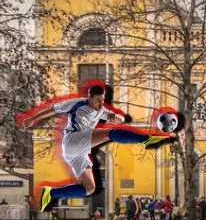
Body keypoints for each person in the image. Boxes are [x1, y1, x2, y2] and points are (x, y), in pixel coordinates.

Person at [17, 84, 172, 211]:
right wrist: (33, 118)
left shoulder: (101, 110)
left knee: (89, 188)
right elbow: (52, 109)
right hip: (72, 140)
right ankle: (145, 140)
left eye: (102, 100)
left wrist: (118, 117)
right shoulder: (77, 103)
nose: (100, 104)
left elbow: (117, 118)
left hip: (77, 153)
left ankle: (52, 193)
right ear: (89, 98)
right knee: (107, 134)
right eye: (98, 100)